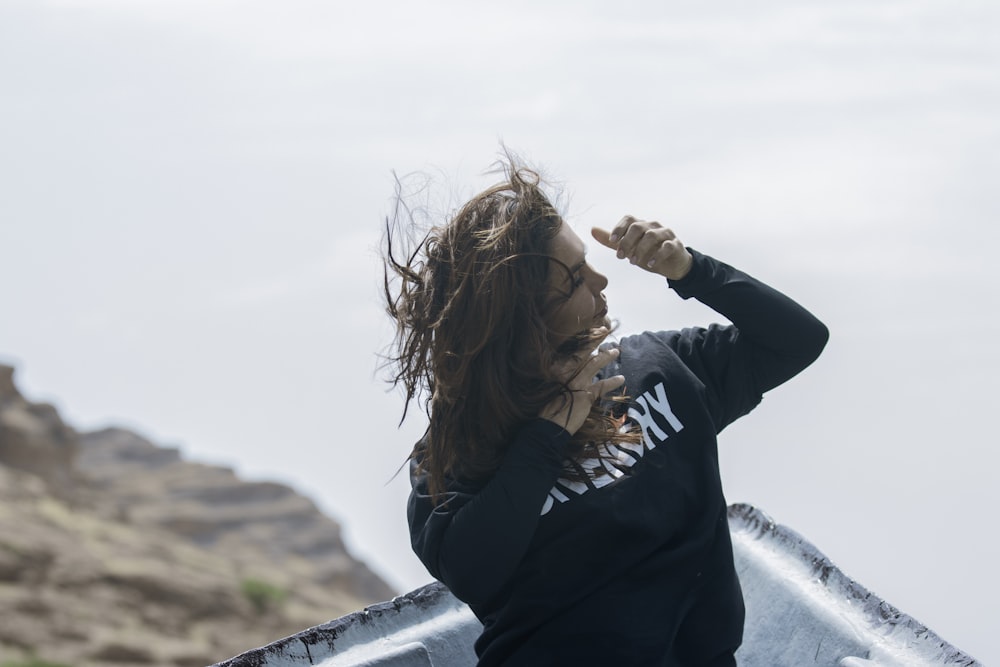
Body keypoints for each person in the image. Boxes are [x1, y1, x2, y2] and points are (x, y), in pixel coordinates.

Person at [382, 156, 828, 666]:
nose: (601, 281)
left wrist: (689, 269)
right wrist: (546, 435)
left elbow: (798, 340)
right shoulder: (452, 456)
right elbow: (471, 570)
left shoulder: (658, 370)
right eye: (573, 280)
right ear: (520, 320)